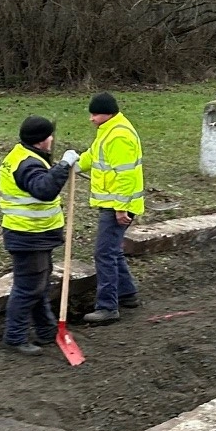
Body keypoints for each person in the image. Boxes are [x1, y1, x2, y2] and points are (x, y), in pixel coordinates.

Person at [0, 116, 79, 355]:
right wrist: (63, 166)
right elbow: (43, 189)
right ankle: (14, 337)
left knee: (40, 286)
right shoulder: (27, 164)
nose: (52, 139)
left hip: (34, 235)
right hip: (28, 236)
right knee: (28, 288)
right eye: (49, 136)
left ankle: (46, 330)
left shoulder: (23, 155)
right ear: (41, 140)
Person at [76, 93, 142, 325]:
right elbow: (93, 156)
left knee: (103, 253)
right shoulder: (108, 131)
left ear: (109, 113)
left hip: (118, 207)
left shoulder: (120, 136)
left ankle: (107, 307)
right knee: (112, 250)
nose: (91, 119)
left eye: (95, 114)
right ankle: (127, 293)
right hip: (114, 204)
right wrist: (70, 166)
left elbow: (125, 175)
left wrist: (121, 208)